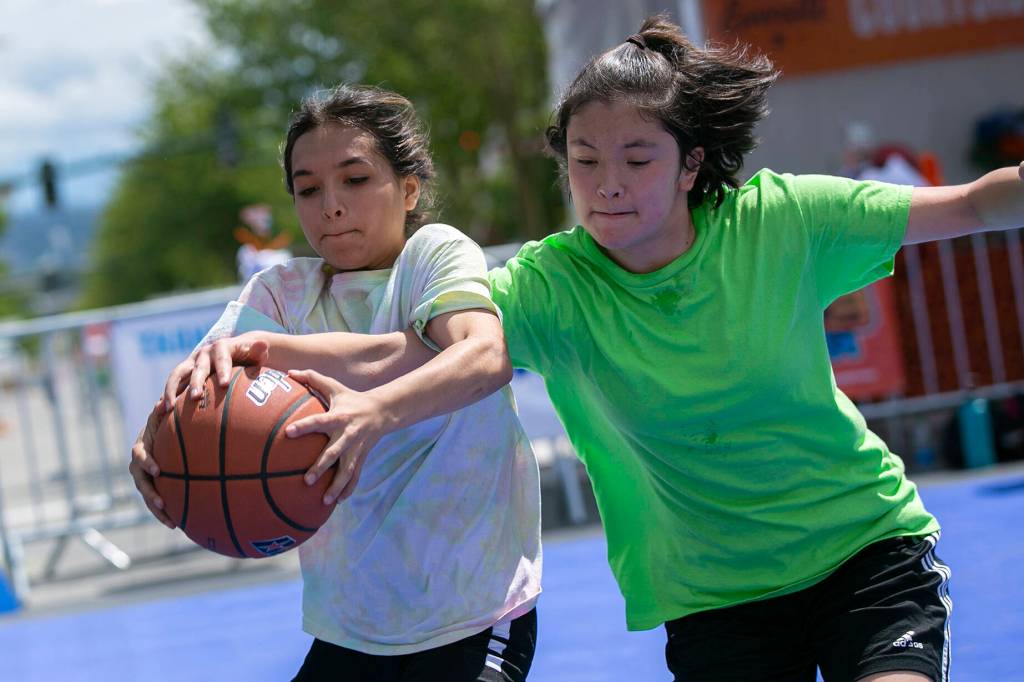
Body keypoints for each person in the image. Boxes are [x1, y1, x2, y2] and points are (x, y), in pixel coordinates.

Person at [485, 15, 1022, 682]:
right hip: (716, 601)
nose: (607, 184)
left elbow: (972, 204)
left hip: (863, 553)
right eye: (584, 160)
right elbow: (424, 339)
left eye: (637, 158)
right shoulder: (548, 286)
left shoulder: (780, 222)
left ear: (691, 165)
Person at [129, 84, 541, 682]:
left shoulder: (432, 256)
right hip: (352, 625)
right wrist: (158, 440)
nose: (331, 205)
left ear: (407, 187)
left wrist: (372, 411)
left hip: (474, 611)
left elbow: (483, 355)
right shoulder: (279, 292)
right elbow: (200, 381)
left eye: (355, 179)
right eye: (308, 188)